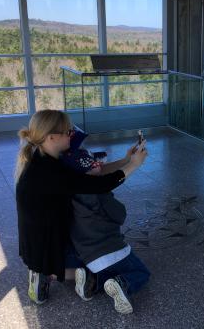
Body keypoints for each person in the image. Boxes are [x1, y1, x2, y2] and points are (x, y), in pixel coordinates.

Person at [15, 110, 147, 305]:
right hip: (50, 246)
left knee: (86, 261)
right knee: (90, 266)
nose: (73, 135)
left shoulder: (46, 158)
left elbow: (90, 175)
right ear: (51, 137)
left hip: (36, 245)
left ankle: (43, 272)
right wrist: (134, 166)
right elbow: (98, 185)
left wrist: (126, 160)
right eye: (68, 132)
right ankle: (47, 273)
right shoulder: (51, 172)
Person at [59, 132, 150, 314]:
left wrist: (126, 159)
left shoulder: (69, 191)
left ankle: (92, 283)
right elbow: (119, 215)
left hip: (85, 255)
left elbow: (100, 173)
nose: (99, 165)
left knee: (104, 272)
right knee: (141, 273)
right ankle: (122, 284)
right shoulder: (100, 193)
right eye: (94, 165)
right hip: (111, 251)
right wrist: (132, 163)